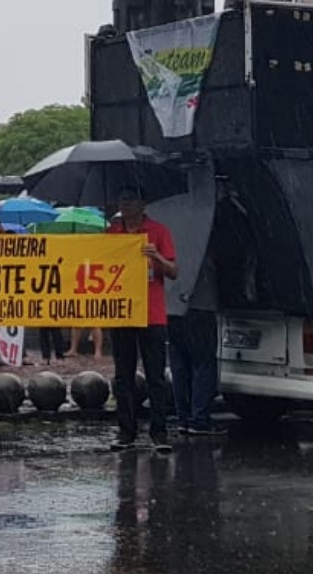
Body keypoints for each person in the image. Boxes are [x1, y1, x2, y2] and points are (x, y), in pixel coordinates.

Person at [107, 186, 177, 453]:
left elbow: (173, 271)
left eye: (130, 199)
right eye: (122, 199)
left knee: (155, 376)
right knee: (123, 376)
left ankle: (159, 432)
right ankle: (126, 431)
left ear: (142, 204)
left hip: (152, 314)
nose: (125, 204)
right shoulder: (111, 233)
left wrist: (155, 256)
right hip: (121, 313)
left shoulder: (158, 232)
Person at [168, 250, 223, 436]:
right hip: (201, 306)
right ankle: (199, 419)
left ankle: (183, 418)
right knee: (203, 363)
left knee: (180, 365)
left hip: (173, 306)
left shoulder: (173, 238)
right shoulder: (203, 237)